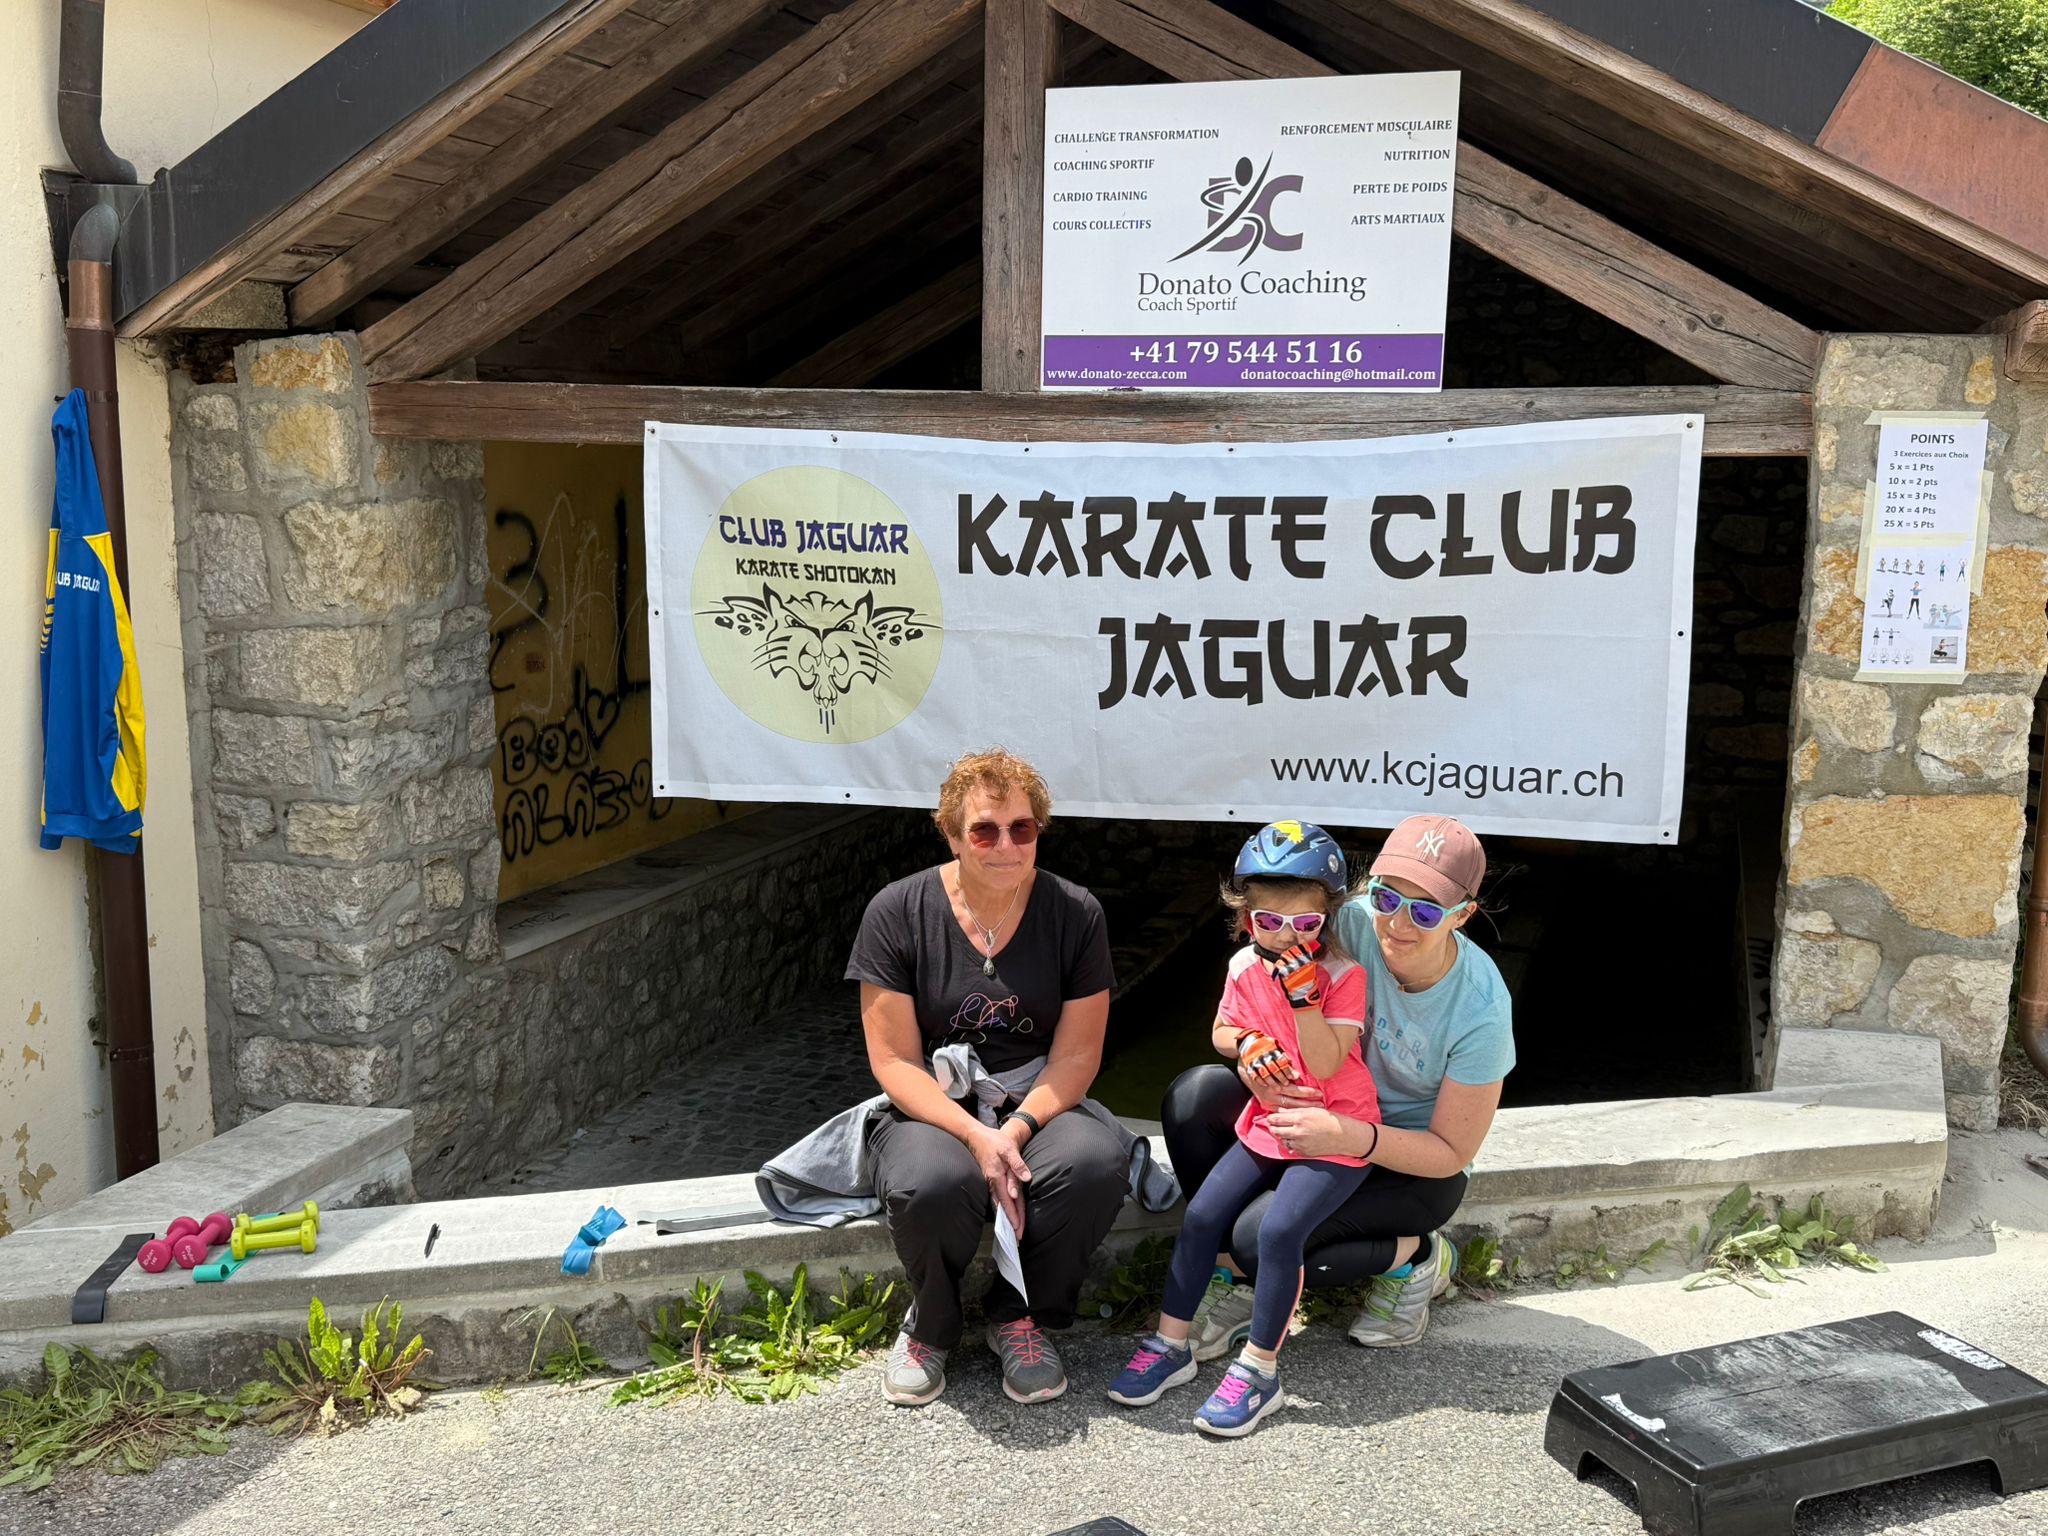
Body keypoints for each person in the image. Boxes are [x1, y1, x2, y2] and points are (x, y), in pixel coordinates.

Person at [1158, 813, 1514, 1360]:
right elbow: (1255, 992)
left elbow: (1451, 1153)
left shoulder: (1481, 1010)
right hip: (1317, 1110)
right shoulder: (1341, 923)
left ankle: (1415, 1258)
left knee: (1259, 1238)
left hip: (1405, 1160)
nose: (1397, 923)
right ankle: (1238, 1277)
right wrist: (1253, 1051)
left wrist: (1349, 1135)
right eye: (1387, 898)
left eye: (1425, 911)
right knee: (1194, 1098)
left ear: (1462, 915)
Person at [848, 748, 1129, 1408]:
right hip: (935, 1098)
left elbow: (1076, 1057)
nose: (1006, 845)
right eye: (984, 831)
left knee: (1093, 1163)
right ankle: (930, 1325)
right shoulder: (897, 910)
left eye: (1021, 828)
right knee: (932, 1182)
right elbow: (894, 1061)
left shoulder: (1076, 912)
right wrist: (978, 1137)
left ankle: (1019, 1316)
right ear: (952, 835)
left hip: (1035, 1093)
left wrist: (1019, 1127)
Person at [1108, 821, 1374, 1437]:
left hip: (1335, 1125)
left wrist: (1305, 999)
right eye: (1269, 922)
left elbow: (1326, 1063)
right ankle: (1171, 1345)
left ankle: (1260, 1371)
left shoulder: (1344, 976)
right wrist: (1248, 1042)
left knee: (1278, 1232)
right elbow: (1222, 1031)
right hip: (1269, 1120)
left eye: (1306, 923)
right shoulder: (1244, 966)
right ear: (1246, 917)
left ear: (1328, 917)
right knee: (1202, 1216)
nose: (1287, 936)